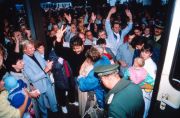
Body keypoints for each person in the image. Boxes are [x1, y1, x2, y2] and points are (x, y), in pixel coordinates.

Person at [22, 40, 58, 118]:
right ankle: (45, 116)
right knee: (42, 106)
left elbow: (43, 62)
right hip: (37, 86)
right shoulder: (24, 62)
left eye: (33, 47)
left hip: (46, 81)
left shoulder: (36, 53)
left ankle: (56, 113)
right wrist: (45, 71)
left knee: (53, 100)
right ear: (25, 50)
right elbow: (32, 78)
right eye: (30, 48)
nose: (34, 49)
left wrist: (47, 64)